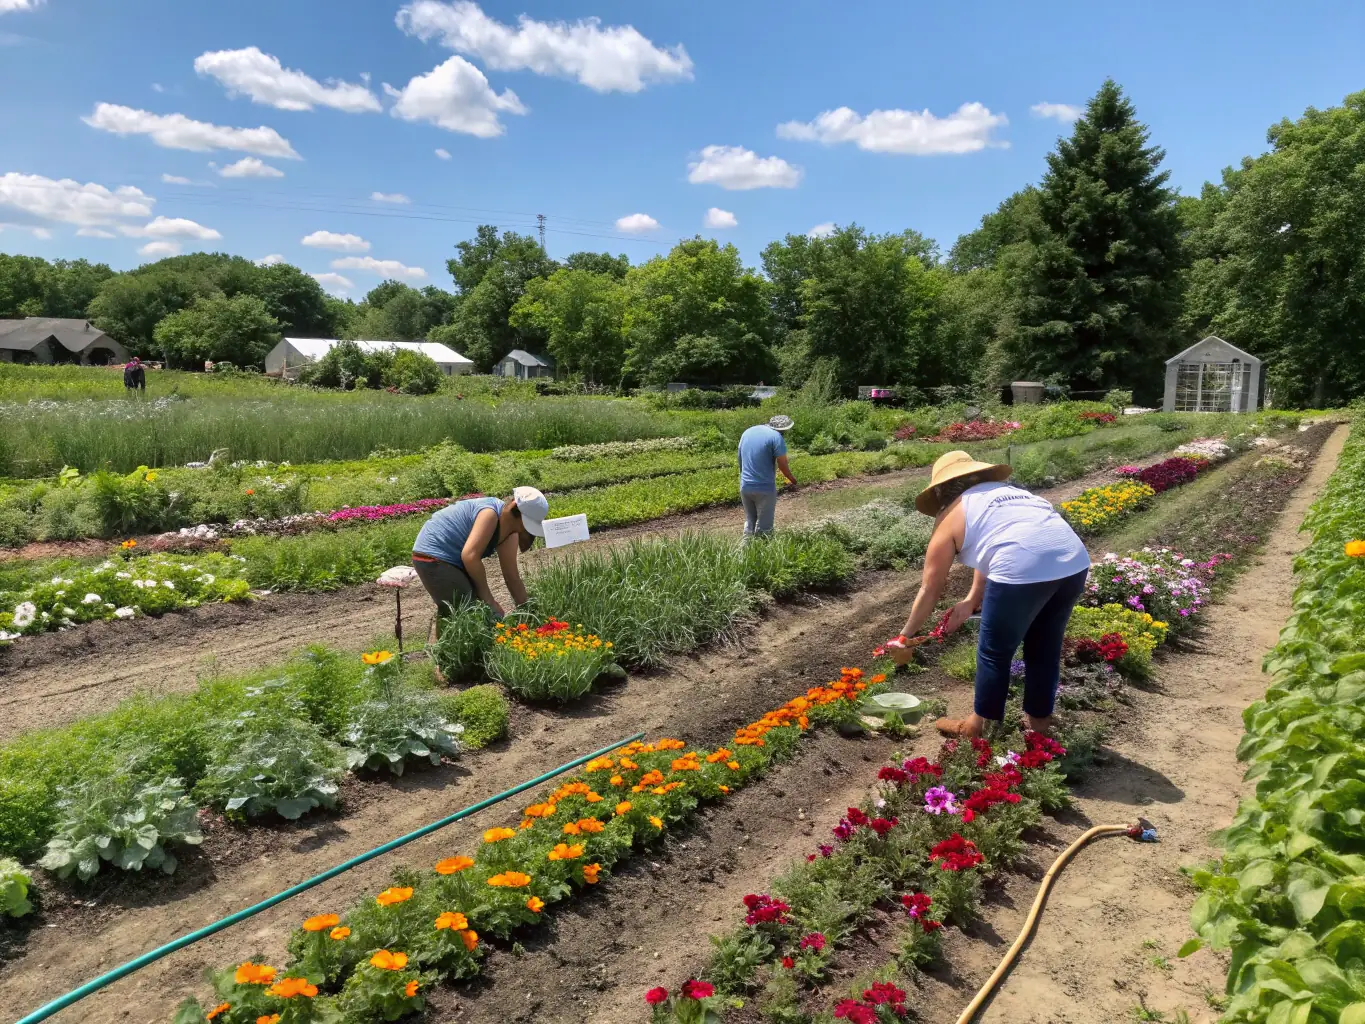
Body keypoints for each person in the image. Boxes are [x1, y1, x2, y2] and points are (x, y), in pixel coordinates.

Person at [891, 450, 1090, 737]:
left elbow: (931, 588)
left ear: (940, 490)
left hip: (1021, 567)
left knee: (994, 652)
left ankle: (977, 727)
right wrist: (972, 599)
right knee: (1045, 647)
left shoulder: (949, 517)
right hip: (1073, 561)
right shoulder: (1011, 493)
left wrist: (904, 637)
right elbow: (995, 546)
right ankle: (1039, 726)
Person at [411, 486, 549, 638]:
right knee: (467, 610)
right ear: (515, 509)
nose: (525, 529)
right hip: (434, 555)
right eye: (526, 523)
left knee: (468, 609)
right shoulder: (489, 513)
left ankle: (451, 656)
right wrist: (489, 599)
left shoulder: (511, 533)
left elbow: (512, 577)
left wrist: (528, 613)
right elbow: (470, 556)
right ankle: (451, 659)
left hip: (452, 559)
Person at [738, 414, 797, 540]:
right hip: (764, 488)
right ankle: (763, 555)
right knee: (765, 527)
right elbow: (782, 464)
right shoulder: (776, 437)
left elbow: (740, 459)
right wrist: (792, 479)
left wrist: (743, 479)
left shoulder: (747, 432)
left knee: (750, 522)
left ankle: (745, 553)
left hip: (745, 486)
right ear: (782, 430)